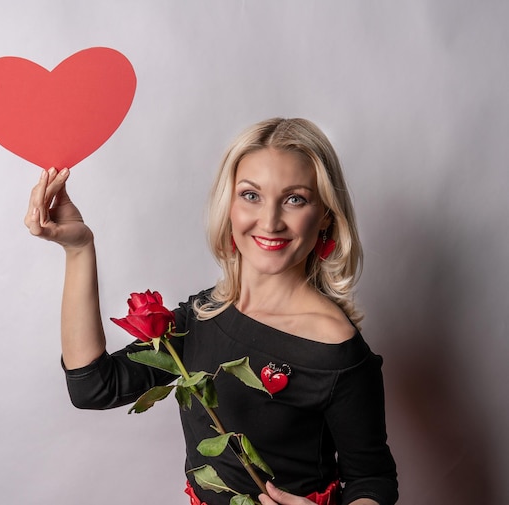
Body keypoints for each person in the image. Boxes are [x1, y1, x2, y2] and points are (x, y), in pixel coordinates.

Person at [24, 118, 398, 505]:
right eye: (251, 195)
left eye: (295, 199)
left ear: (325, 216)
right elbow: (94, 387)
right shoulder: (204, 314)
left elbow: (373, 478)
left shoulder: (338, 351)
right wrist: (79, 248)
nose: (269, 221)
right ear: (230, 206)